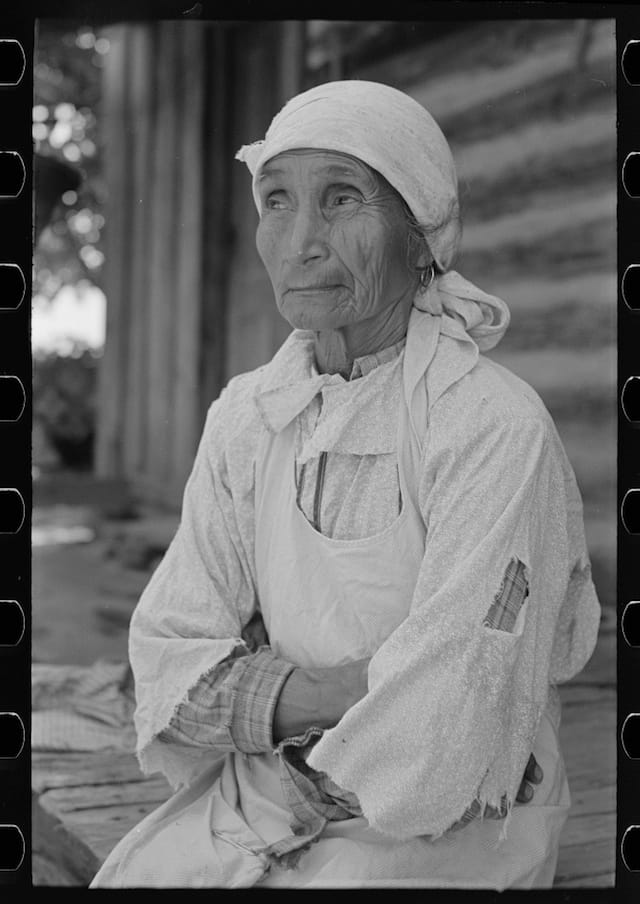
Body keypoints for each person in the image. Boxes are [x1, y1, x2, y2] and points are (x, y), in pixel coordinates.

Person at [90, 80, 601, 889]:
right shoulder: (249, 418)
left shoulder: (492, 426)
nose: (301, 242)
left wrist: (264, 696)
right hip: (266, 793)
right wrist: (365, 688)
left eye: (341, 199)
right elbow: (166, 668)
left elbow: (455, 721)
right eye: (277, 201)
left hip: (456, 825)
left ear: (421, 234)